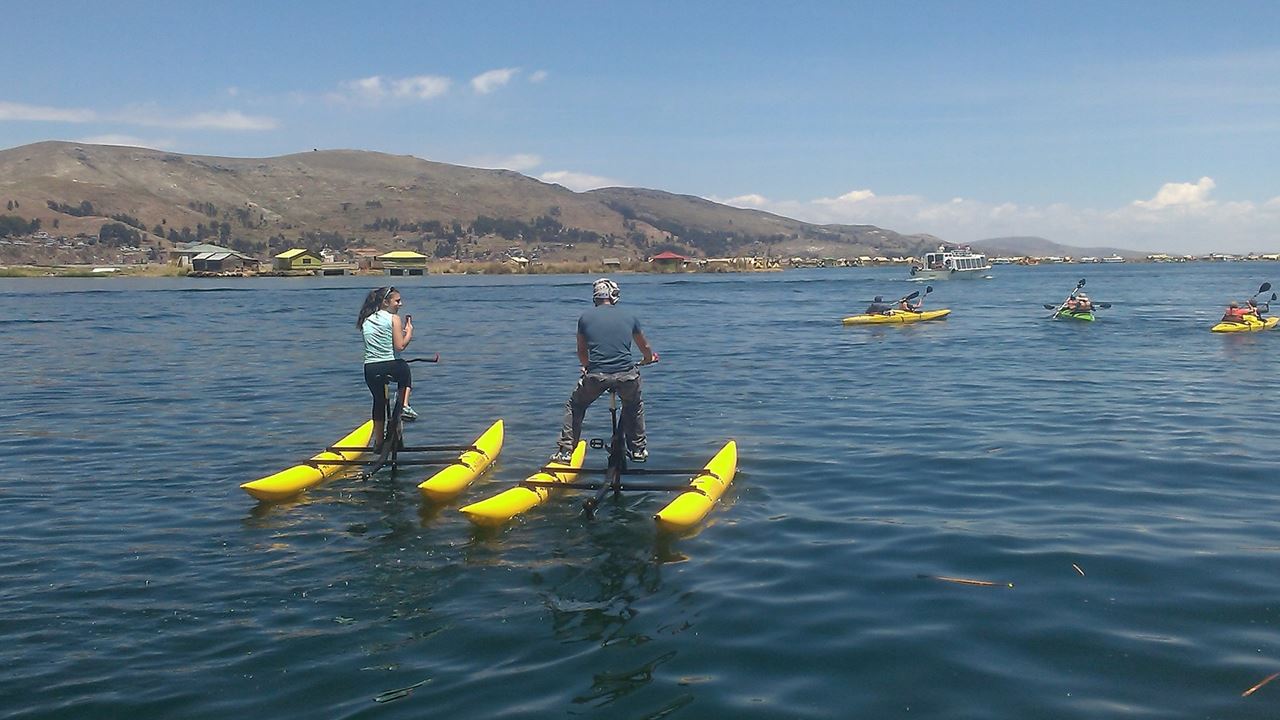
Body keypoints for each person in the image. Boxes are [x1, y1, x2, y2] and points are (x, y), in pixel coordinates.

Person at [551, 278, 657, 464]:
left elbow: (582, 351)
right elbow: (645, 347)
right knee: (633, 405)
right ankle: (638, 449)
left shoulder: (584, 318)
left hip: (596, 376)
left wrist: (586, 366)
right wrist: (648, 360)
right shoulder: (629, 317)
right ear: (613, 295)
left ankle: (566, 451)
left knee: (575, 406)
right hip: (626, 375)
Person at [357, 287, 416, 450]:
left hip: (370, 368)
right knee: (404, 369)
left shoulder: (366, 319)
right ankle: (404, 406)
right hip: (390, 365)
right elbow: (400, 346)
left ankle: (378, 442)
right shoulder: (394, 319)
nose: (400, 304)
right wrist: (409, 332)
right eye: (397, 301)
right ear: (385, 302)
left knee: (379, 401)